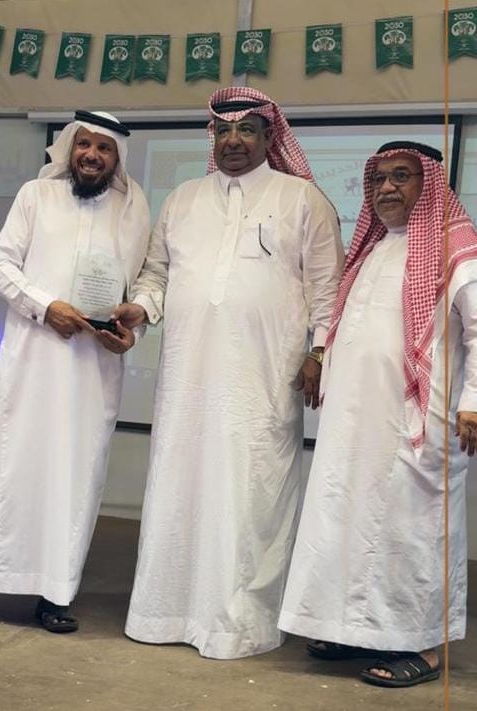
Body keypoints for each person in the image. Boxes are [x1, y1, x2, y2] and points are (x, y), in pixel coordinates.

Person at [114, 87, 344, 659]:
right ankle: (164, 613)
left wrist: (319, 353)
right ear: (212, 138)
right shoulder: (183, 199)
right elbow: (156, 275)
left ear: (269, 137)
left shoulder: (303, 199)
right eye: (224, 131)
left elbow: (327, 290)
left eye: (247, 131)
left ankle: (239, 624)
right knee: (179, 487)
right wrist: (140, 307)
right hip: (186, 380)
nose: (234, 141)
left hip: (263, 381)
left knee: (251, 494)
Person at [0, 110, 151, 632]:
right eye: (84, 145)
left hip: (92, 368)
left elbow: (147, 282)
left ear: (117, 158)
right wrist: (45, 306)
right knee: (7, 468)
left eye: (104, 148)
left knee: (75, 478)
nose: (92, 155)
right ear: (70, 149)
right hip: (32, 361)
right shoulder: (35, 195)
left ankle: (56, 594)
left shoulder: (135, 209)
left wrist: (134, 327)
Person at [279, 141, 477, 687]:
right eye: (378, 179)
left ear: (429, 184)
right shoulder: (371, 248)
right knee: (349, 520)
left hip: (418, 422)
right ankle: (355, 629)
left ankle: (424, 646)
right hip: (353, 420)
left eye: (401, 176)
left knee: (413, 531)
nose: (386, 187)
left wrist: (473, 402)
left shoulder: (456, 249)